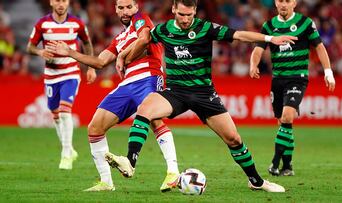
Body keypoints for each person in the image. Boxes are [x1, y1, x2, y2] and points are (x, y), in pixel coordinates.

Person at [106, 0, 298, 192]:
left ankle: (257, 181)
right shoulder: (163, 30)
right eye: (181, 14)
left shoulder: (205, 28)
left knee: (233, 139)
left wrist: (269, 39)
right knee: (145, 109)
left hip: (204, 94)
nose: (185, 19)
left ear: (195, 11)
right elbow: (144, 40)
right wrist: (124, 55)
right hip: (176, 92)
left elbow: (238, 35)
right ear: (173, 9)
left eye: (189, 15)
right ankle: (130, 162)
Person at [46, 0, 180, 192]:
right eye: (121, 8)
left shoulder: (141, 19)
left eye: (129, 7)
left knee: (154, 118)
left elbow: (144, 39)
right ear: (115, 10)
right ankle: (106, 182)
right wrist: (70, 52)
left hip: (149, 77)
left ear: (136, 7)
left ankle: (173, 171)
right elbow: (99, 62)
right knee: (94, 127)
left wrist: (123, 56)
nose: (125, 11)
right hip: (126, 84)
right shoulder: (119, 38)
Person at [249, 0, 336, 176]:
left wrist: (328, 72)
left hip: (297, 78)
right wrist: (253, 64)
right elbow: (259, 48)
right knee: (282, 123)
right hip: (277, 80)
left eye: (287, 1)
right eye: (280, 0)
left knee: (287, 117)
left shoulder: (305, 23)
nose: (283, 4)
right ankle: (287, 167)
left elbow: (319, 47)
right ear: (275, 3)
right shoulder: (269, 25)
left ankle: (274, 163)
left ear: (294, 3)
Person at [27, 0, 96, 170]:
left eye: (64, 0)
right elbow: (30, 47)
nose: (61, 4)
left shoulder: (77, 23)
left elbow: (87, 43)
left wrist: (91, 67)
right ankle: (69, 149)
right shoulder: (42, 24)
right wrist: (40, 51)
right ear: (51, 2)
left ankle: (65, 153)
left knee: (65, 111)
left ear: (68, 3)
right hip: (51, 75)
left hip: (71, 73)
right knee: (55, 114)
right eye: (57, 0)